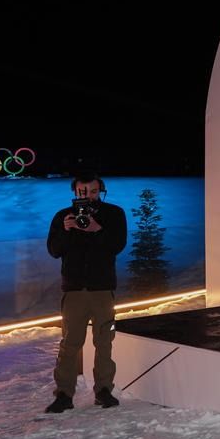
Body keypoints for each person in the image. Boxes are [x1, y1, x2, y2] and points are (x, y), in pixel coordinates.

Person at [44, 172, 128, 413]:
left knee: (104, 341)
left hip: (102, 288)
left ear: (101, 190)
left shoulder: (114, 213)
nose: (88, 196)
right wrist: (66, 230)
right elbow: (54, 250)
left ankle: (104, 390)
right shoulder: (63, 216)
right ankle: (64, 394)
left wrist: (97, 229)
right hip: (74, 289)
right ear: (75, 191)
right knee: (70, 343)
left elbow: (118, 245)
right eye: (83, 192)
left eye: (93, 191)